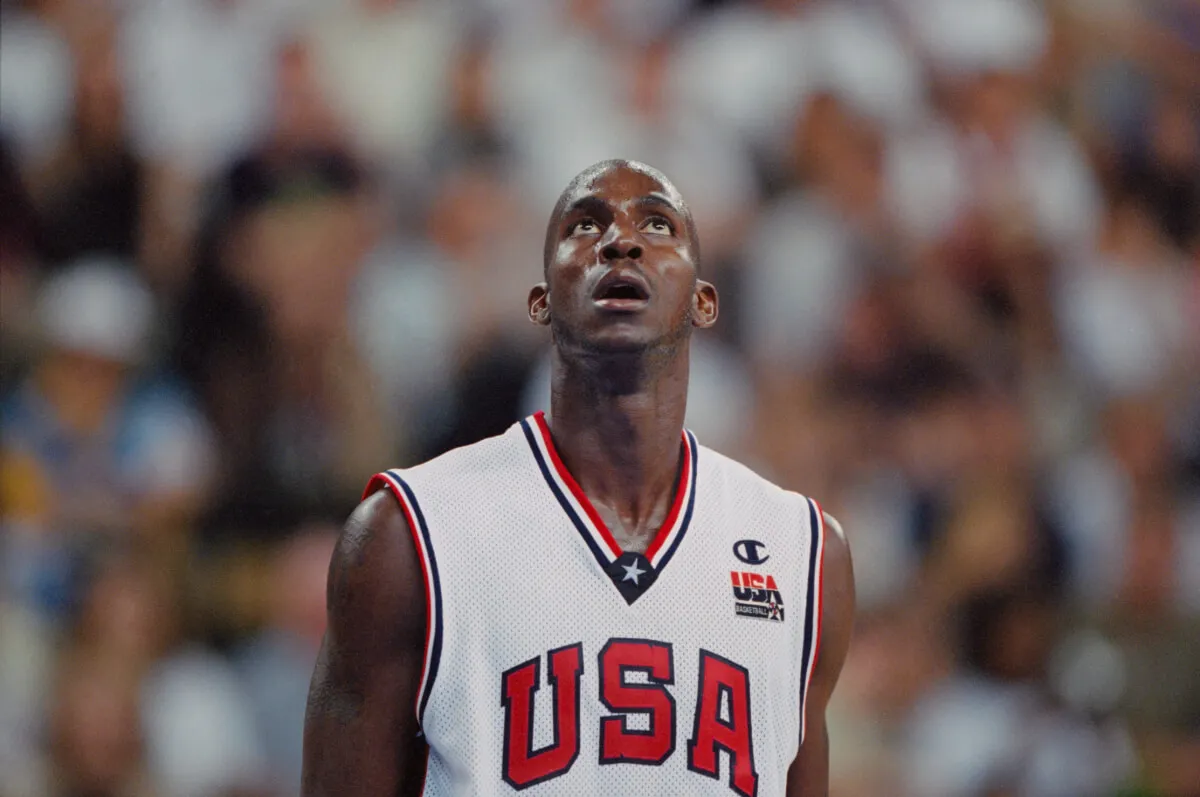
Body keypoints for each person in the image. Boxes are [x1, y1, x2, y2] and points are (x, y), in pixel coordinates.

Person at [301, 159, 855, 796]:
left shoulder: (803, 553)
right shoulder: (409, 534)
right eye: (586, 226)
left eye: (657, 223)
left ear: (703, 301)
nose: (621, 240)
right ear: (541, 301)